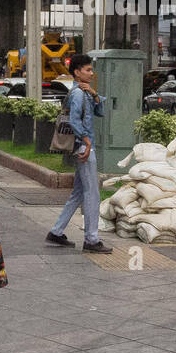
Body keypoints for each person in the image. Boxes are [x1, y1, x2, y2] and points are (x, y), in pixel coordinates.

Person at [45, 53, 113, 253]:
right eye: (88, 70)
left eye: (91, 69)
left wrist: (93, 92)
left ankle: (56, 231)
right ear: (77, 72)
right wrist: (86, 141)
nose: (91, 73)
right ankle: (91, 239)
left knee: (78, 193)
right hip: (83, 148)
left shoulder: (84, 92)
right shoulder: (77, 94)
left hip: (82, 146)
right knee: (92, 193)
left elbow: (100, 110)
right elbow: (74, 120)